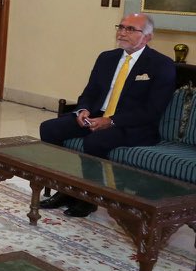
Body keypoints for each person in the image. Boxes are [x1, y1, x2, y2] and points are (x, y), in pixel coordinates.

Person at [38, 13, 175, 217]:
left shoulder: (161, 65)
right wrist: (83, 110)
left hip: (133, 125)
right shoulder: (107, 58)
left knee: (96, 141)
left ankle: (88, 199)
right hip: (97, 115)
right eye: (121, 27)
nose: (122, 33)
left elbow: (152, 110)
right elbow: (90, 92)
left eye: (130, 29)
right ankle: (65, 189)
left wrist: (111, 121)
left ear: (147, 37)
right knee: (49, 128)